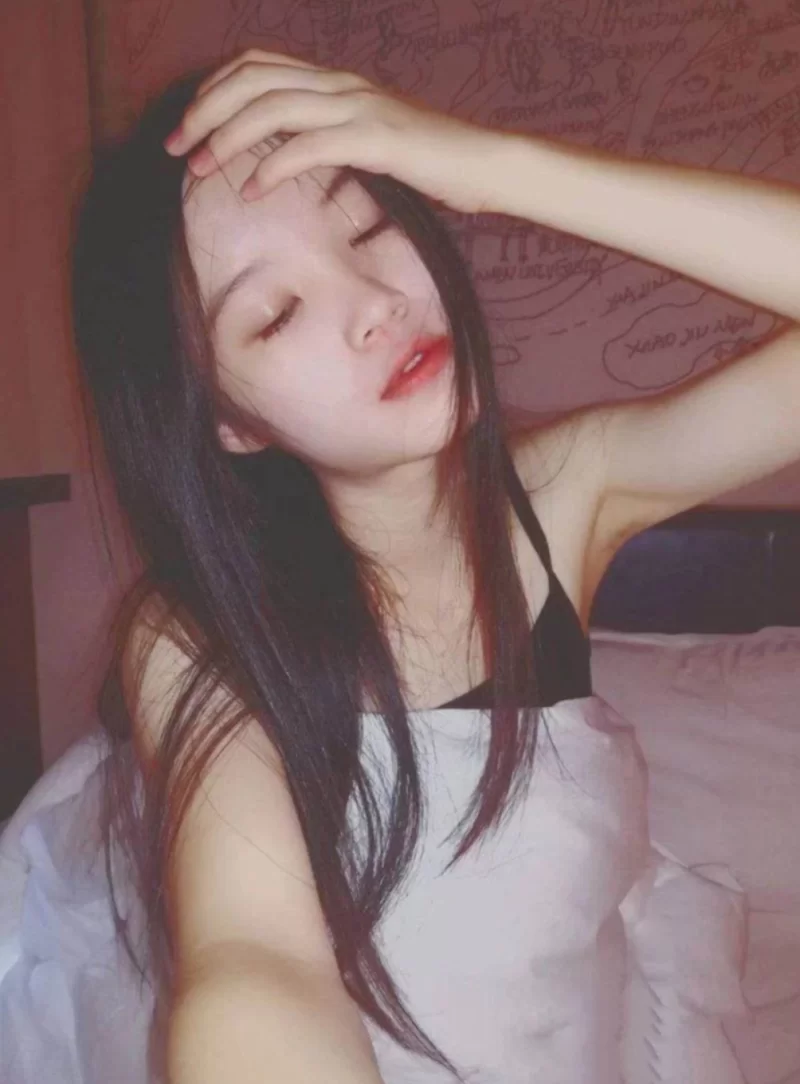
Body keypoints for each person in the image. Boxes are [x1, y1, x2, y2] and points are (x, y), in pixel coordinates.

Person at [64, 48, 800, 1084]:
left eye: (369, 227)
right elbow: (254, 957)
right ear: (229, 421)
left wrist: (488, 165)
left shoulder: (566, 495)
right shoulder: (198, 633)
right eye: (276, 313)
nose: (374, 301)